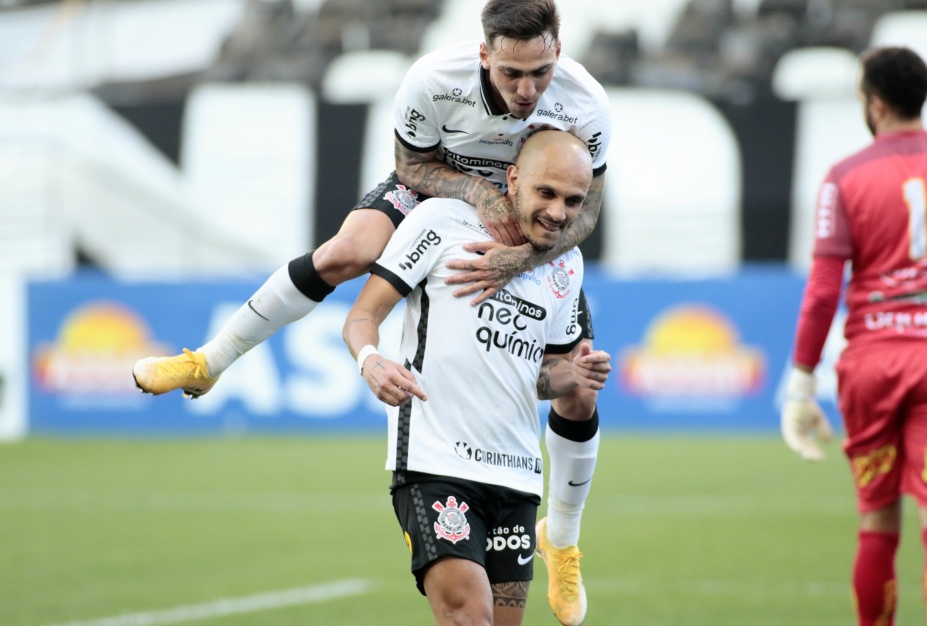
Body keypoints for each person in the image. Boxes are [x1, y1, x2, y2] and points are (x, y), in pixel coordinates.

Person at [133, 2, 610, 623]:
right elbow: (412, 166)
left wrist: (516, 260)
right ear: (484, 53)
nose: (527, 90)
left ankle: (564, 540)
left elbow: (587, 210)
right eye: (511, 73)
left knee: (580, 386)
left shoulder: (586, 102)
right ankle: (209, 360)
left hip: (535, 214)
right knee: (346, 252)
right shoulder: (433, 80)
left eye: (540, 73)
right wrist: (480, 195)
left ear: (559, 52)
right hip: (444, 185)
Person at [342, 129, 610, 626]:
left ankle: (564, 538)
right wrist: (370, 361)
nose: (557, 212)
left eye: (573, 201)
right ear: (512, 178)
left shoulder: (565, 264)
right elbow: (361, 317)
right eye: (546, 193)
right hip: (435, 464)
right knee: (471, 617)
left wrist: (571, 374)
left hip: (516, 478)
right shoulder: (441, 221)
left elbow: (537, 380)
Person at [780, 46, 927, 626]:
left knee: (877, 522)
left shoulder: (844, 178)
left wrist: (800, 385)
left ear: (873, 101)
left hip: (871, 364)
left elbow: (824, 292)